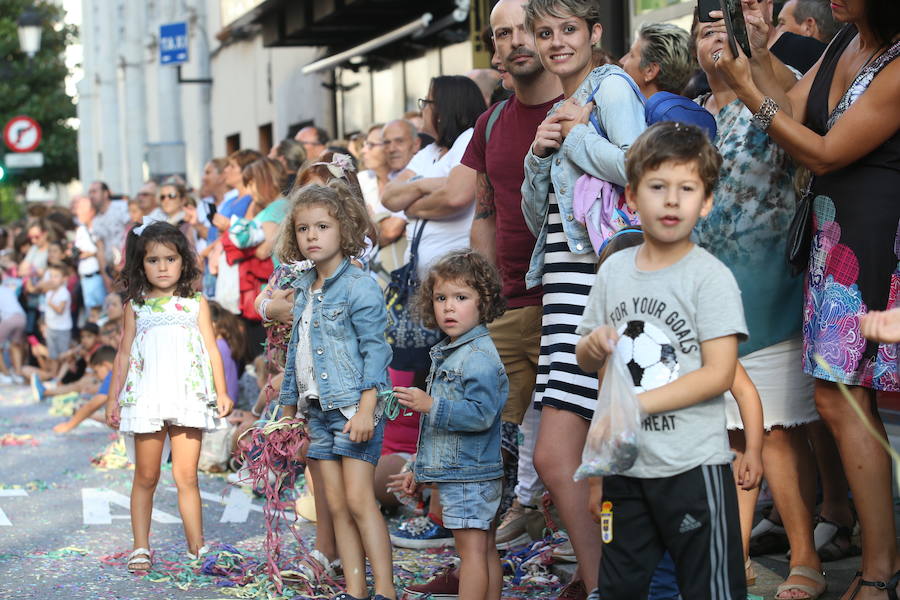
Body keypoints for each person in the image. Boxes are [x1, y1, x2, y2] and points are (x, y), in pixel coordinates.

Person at [715, 1, 900, 597]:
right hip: (833, 238)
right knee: (838, 400)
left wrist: (748, 91)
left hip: (876, 244)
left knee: (844, 401)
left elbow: (821, 150)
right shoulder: (845, 38)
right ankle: (880, 562)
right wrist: (757, 53)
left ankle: (879, 569)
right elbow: (794, 108)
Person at [576, 121, 747, 600]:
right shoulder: (612, 270)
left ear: (706, 201)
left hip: (692, 468)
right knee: (619, 587)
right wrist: (592, 347)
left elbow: (719, 373)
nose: (671, 200)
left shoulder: (709, 278)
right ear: (631, 196)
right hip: (628, 469)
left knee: (708, 588)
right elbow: (590, 358)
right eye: (657, 186)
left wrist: (641, 404)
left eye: (687, 188)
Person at [691, 12, 826, 599]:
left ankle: (806, 559)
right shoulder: (690, 113)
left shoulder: (784, 81)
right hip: (707, 294)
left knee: (772, 432)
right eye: (704, 28)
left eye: (730, 20)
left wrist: (756, 64)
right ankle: (735, 555)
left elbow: (798, 135)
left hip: (770, 283)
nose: (717, 35)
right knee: (724, 436)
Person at [520, 1, 646, 596]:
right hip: (565, 284)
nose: (555, 43)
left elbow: (642, 169)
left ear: (595, 33)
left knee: (590, 455)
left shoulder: (612, 87)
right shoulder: (561, 106)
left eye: (567, 30)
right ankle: (603, 584)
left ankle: (614, 584)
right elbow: (538, 219)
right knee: (558, 456)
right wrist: (538, 157)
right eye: (545, 33)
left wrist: (575, 139)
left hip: (603, 282)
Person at [277, 180, 396, 600]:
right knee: (337, 505)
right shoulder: (304, 289)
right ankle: (355, 590)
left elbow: (376, 354)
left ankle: (385, 589)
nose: (312, 236)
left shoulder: (358, 286)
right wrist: (289, 412)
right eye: (304, 228)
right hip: (318, 413)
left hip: (352, 410)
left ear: (343, 230)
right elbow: (296, 354)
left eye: (322, 227)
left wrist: (367, 410)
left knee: (361, 502)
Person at [104, 221, 233, 572]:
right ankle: (141, 546)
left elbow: (210, 348)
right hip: (147, 397)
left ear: (183, 262)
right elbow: (124, 354)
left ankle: (197, 547)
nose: (162, 267)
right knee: (146, 476)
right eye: (153, 260)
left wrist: (221, 391)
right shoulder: (137, 306)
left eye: (170, 259)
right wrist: (113, 399)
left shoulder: (195, 303)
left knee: (186, 476)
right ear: (140, 265)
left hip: (187, 395)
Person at [394, 249, 508, 600]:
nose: (448, 307)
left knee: (472, 554)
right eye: (441, 297)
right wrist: (419, 468)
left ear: (483, 302)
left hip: (469, 475)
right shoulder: (455, 351)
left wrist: (431, 405)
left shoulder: (477, 357)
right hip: (467, 472)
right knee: (483, 550)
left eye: (461, 297)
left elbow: (480, 414)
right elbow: (436, 434)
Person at [381, 75, 487, 282]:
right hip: (422, 284)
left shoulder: (469, 140)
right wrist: (425, 185)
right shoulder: (429, 151)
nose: (423, 109)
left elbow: (454, 197)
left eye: (427, 102)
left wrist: (410, 206)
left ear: (444, 109)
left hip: (455, 283)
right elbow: (389, 197)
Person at [619, 22, 718, 139]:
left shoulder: (643, 133)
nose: (622, 61)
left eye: (631, 55)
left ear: (650, 71)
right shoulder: (693, 121)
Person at [52, 345, 116, 433]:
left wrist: (68, 426)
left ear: (106, 365)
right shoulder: (120, 370)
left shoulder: (113, 375)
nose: (96, 376)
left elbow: (92, 405)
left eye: (96, 371)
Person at [72, 196, 107, 322]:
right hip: (85, 278)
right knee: (91, 315)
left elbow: (105, 249)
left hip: (98, 277)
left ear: (91, 211)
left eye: (81, 209)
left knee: (101, 313)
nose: (77, 212)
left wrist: (92, 253)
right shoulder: (81, 230)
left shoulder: (100, 227)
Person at [43, 263, 73, 374]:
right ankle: (53, 376)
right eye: (51, 276)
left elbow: (60, 310)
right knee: (53, 355)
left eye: (56, 276)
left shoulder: (64, 292)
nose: (52, 279)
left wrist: (50, 303)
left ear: (64, 279)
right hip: (51, 327)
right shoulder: (49, 292)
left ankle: (61, 377)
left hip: (62, 329)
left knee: (63, 355)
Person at [0, 270, 26, 384]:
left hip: (9, 319)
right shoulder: (7, 290)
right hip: (21, 317)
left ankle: (5, 374)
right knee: (15, 345)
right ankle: (18, 374)